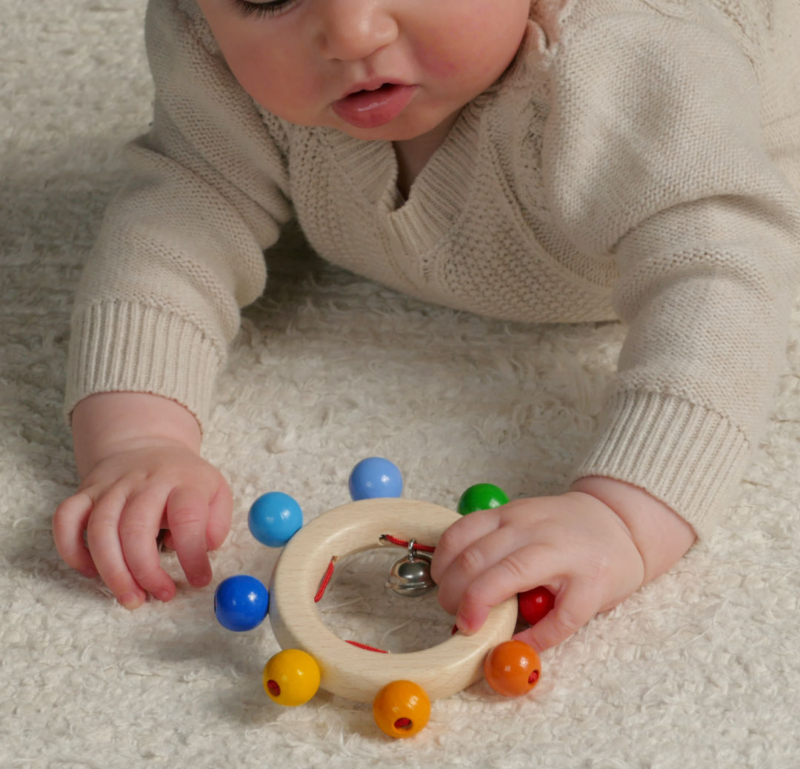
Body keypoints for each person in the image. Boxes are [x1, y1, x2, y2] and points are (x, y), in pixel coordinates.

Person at [52, 0, 800, 654]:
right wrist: (136, 440)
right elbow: (181, 216)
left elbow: (721, 274)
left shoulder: (631, 61)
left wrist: (625, 516)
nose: (351, 32)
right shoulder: (209, 42)